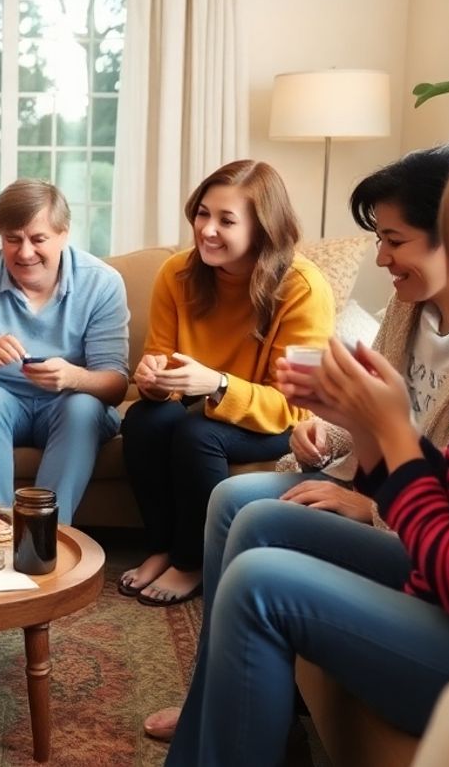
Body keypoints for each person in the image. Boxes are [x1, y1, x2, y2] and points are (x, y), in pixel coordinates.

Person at [143, 142, 449, 740]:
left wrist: (380, 484)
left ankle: (235, 694)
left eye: (394, 240)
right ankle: (223, 699)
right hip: (399, 512)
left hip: (426, 560)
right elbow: (418, 454)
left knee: (246, 540)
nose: (379, 257)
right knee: (232, 498)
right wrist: (332, 424)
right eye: (203, 214)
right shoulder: (408, 310)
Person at [120, 159, 334, 606]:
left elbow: (296, 406)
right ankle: (162, 547)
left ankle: (192, 561)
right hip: (204, 403)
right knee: (143, 419)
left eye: (226, 220)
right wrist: (154, 379)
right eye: (202, 213)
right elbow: (159, 367)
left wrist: (217, 383)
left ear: (262, 228)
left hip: (276, 418)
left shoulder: (302, 287)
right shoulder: (177, 273)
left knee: (197, 432)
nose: (207, 230)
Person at [0, 179, 128, 524]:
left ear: (64, 233)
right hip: (1, 404)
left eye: (38, 239)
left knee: (83, 405)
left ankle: (45, 535)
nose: (24, 252)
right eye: (12, 240)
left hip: (68, 405)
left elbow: (117, 385)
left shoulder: (102, 282)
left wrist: (73, 376)